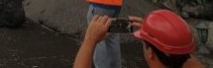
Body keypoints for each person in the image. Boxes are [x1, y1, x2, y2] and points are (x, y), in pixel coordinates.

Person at [74, 10, 204, 68]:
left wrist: (89, 40)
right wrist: (154, 32)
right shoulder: (189, 61)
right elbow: (183, 54)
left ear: (150, 53)